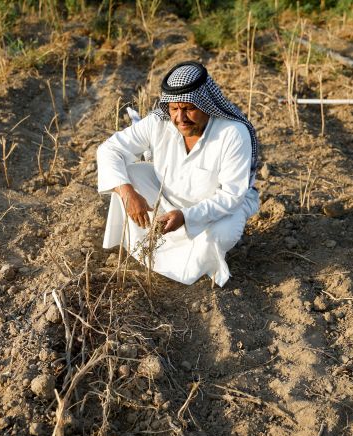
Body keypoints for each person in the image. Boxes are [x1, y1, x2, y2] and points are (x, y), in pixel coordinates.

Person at [96, 60, 260, 286]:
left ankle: (195, 269)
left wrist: (186, 216)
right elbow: (110, 149)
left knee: (220, 233)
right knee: (130, 175)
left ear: (206, 105)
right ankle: (145, 253)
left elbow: (231, 196)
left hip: (218, 209)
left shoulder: (232, 133)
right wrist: (127, 193)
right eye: (174, 109)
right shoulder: (159, 122)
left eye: (189, 109)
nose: (180, 118)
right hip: (169, 196)